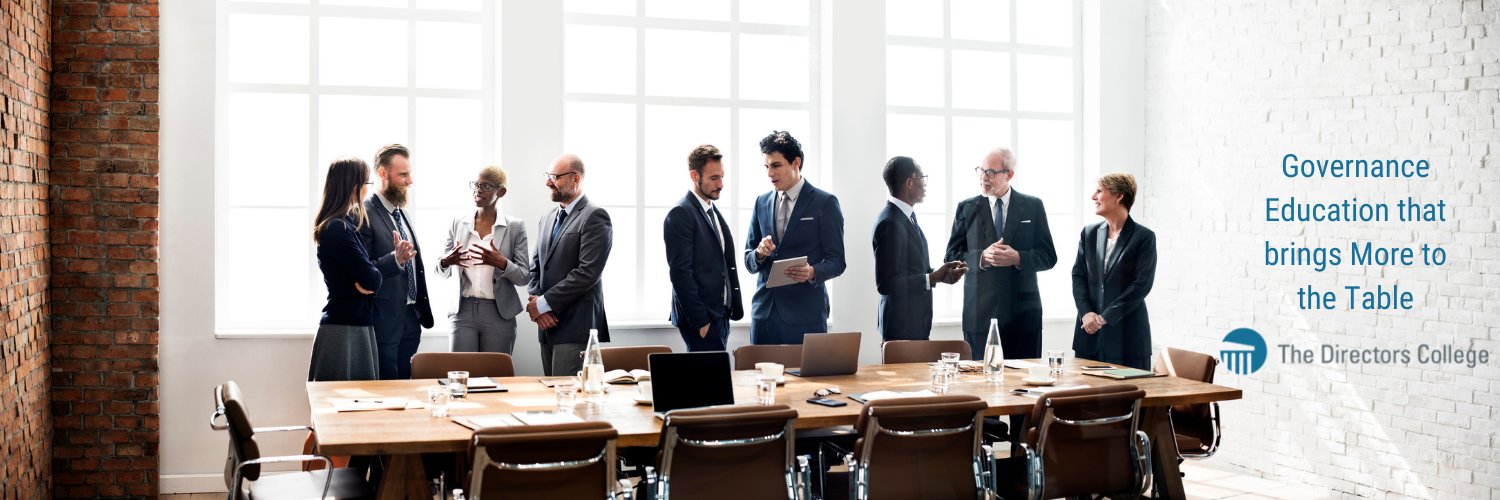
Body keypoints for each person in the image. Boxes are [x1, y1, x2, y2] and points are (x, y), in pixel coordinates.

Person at [944, 147, 1057, 360]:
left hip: (1023, 316)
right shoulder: (966, 208)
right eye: (981, 171)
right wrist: (981, 258)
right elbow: (951, 255)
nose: (984, 178)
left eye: (991, 173)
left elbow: (1049, 256)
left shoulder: (1033, 206)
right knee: (979, 384)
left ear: (1010, 175)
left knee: (1023, 387)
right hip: (979, 315)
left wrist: (1019, 258)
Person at [743, 130, 846, 345]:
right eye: (766, 166)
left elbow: (837, 261)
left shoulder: (825, 203)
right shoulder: (761, 202)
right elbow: (748, 260)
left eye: (776, 165)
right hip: (764, 315)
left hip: (805, 315)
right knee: (762, 379)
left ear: (795, 162)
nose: (769, 173)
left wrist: (812, 272)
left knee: (806, 379)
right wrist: (759, 254)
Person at [309, 157, 406, 382]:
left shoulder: (345, 225)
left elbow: (370, 276)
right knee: (339, 406)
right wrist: (368, 278)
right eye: (367, 184)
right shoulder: (338, 229)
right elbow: (372, 278)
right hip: (344, 329)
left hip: (355, 323)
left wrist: (369, 276)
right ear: (355, 188)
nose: (367, 190)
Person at [527, 154, 613, 376]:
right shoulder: (547, 218)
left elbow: (587, 273)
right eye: (548, 176)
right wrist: (539, 309)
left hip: (575, 326)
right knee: (550, 393)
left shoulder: (595, 216)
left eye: (554, 177)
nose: (548, 182)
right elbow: (535, 268)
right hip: (546, 326)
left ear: (575, 179)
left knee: (568, 399)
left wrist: (543, 304)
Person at [359, 143, 434, 380]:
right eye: (403, 174)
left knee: (406, 389)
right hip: (384, 320)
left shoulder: (402, 213)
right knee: (387, 391)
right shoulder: (364, 213)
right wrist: (395, 259)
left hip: (412, 318)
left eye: (409, 173)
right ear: (382, 174)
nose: (409, 180)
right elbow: (363, 271)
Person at [436, 165, 530, 354]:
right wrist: (446, 261)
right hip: (462, 311)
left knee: (496, 375)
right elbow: (440, 270)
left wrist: (501, 262)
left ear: (501, 192)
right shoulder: (458, 222)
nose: (478, 189)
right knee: (460, 375)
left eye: (486, 186)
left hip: (499, 312)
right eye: (476, 185)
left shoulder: (515, 227)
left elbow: (524, 277)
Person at [873, 156, 967, 341]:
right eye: (922, 178)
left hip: (914, 325)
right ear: (909, 182)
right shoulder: (889, 222)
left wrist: (940, 276)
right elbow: (886, 284)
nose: (925, 184)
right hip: (901, 329)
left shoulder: (906, 217)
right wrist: (931, 277)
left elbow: (910, 270)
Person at [1071, 173, 1157, 370]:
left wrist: (1104, 318)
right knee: (1085, 398)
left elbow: (1141, 285)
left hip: (1128, 340)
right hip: (1089, 337)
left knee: (1128, 399)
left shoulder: (1144, 237)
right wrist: (1086, 313)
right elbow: (1078, 276)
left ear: (1119, 196)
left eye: (1100, 191)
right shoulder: (1089, 234)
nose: (1094, 197)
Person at [664, 145, 744, 352]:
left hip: (720, 315)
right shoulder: (681, 213)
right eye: (714, 178)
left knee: (716, 381)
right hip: (702, 319)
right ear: (694, 175)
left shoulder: (711, 209)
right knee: (705, 382)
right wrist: (701, 321)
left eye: (722, 177)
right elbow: (681, 274)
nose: (721, 184)